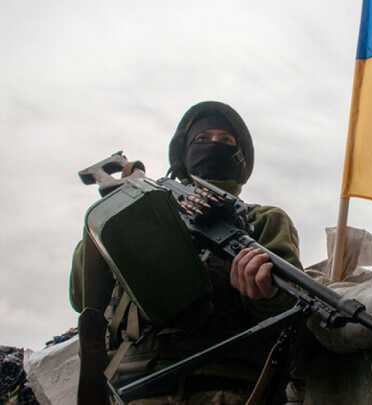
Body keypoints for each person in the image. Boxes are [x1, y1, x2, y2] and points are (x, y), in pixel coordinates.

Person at [70, 101, 303, 404]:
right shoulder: (145, 211)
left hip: (229, 388)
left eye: (226, 140)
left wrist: (265, 295)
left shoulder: (263, 219)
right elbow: (82, 298)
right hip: (134, 388)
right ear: (183, 154)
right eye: (202, 139)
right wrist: (115, 213)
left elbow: (293, 313)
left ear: (240, 159)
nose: (213, 145)